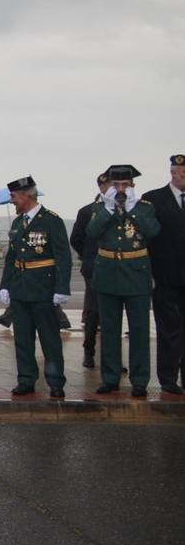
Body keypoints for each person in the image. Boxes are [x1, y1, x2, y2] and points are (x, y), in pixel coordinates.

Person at [89, 165, 160, 397]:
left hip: (136, 273)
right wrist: (109, 209)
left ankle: (139, 380)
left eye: (125, 185)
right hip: (108, 273)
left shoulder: (144, 207)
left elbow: (153, 231)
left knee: (139, 329)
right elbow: (91, 232)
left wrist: (132, 209)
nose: (120, 190)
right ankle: (110, 378)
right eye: (116, 185)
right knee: (109, 329)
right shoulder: (101, 207)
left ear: (132, 186)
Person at [0, 176, 72, 398]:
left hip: (43, 289)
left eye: (13, 196)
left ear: (26, 195)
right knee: (22, 338)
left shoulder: (51, 221)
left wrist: (62, 288)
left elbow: (63, 257)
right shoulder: (17, 223)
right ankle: (26, 380)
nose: (12, 201)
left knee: (49, 338)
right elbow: (12, 257)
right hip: (20, 289)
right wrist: (5, 285)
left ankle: (56, 381)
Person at [142, 154, 185, 395]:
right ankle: (168, 377)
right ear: (173, 172)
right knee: (168, 328)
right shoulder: (153, 199)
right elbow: (146, 238)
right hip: (165, 276)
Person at [69, 171, 111, 368]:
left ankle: (112, 358)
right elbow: (76, 238)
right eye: (106, 186)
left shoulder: (125, 209)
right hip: (94, 267)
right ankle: (89, 351)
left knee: (113, 313)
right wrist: (88, 256)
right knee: (94, 312)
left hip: (116, 268)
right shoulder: (88, 211)